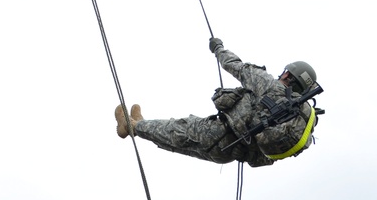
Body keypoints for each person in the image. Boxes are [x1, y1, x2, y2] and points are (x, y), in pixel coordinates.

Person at [115, 37, 319, 166]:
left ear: (289, 76)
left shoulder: (271, 86)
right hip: (231, 153)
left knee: (176, 129)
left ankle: (133, 125)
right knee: (179, 146)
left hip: (217, 133)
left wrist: (218, 48)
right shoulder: (299, 115)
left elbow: (235, 65)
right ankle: (138, 128)